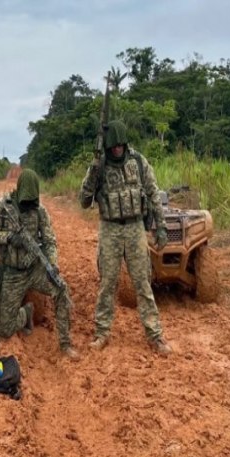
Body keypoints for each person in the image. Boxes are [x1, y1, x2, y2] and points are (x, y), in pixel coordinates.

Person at [79, 120, 172, 355]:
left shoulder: (139, 162)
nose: (118, 149)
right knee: (108, 284)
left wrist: (160, 227)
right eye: (114, 146)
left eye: (121, 145)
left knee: (142, 282)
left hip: (135, 228)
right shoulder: (99, 167)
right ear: (108, 146)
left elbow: (152, 193)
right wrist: (93, 170)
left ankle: (155, 335)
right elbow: (84, 201)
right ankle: (102, 333)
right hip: (110, 229)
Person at [0, 169, 79, 360]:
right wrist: (9, 238)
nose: (29, 205)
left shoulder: (40, 211)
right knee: (5, 329)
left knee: (61, 289)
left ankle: (65, 343)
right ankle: (26, 313)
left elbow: (50, 241)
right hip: (12, 273)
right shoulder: (4, 207)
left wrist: (52, 263)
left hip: (35, 269)